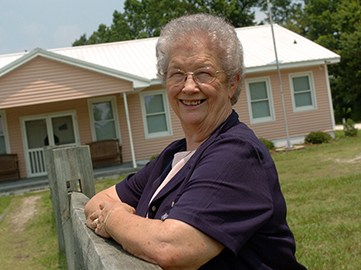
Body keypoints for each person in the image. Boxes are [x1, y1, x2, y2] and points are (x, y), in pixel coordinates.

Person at [85, 13, 306, 270]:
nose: (189, 87)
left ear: (232, 83)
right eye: (177, 74)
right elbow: (96, 200)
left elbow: (173, 248)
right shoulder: (173, 157)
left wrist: (114, 219)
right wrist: (132, 225)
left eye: (203, 73)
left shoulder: (237, 154)